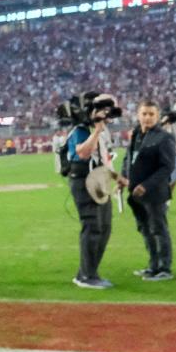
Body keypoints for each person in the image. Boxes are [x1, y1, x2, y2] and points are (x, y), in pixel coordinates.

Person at [65, 93, 119, 289]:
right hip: (84, 181)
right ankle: (87, 276)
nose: (107, 115)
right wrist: (96, 131)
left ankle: (88, 271)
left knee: (104, 227)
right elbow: (82, 153)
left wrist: (116, 178)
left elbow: (105, 158)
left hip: (100, 179)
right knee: (92, 226)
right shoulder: (80, 130)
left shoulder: (103, 131)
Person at [120, 100, 176, 281]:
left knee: (159, 228)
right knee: (145, 229)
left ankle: (164, 268)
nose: (147, 117)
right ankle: (153, 265)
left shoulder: (164, 137)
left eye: (151, 114)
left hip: (154, 193)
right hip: (135, 194)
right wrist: (123, 178)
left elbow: (167, 168)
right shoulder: (136, 134)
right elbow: (128, 158)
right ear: (138, 114)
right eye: (144, 114)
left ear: (157, 116)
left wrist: (146, 185)